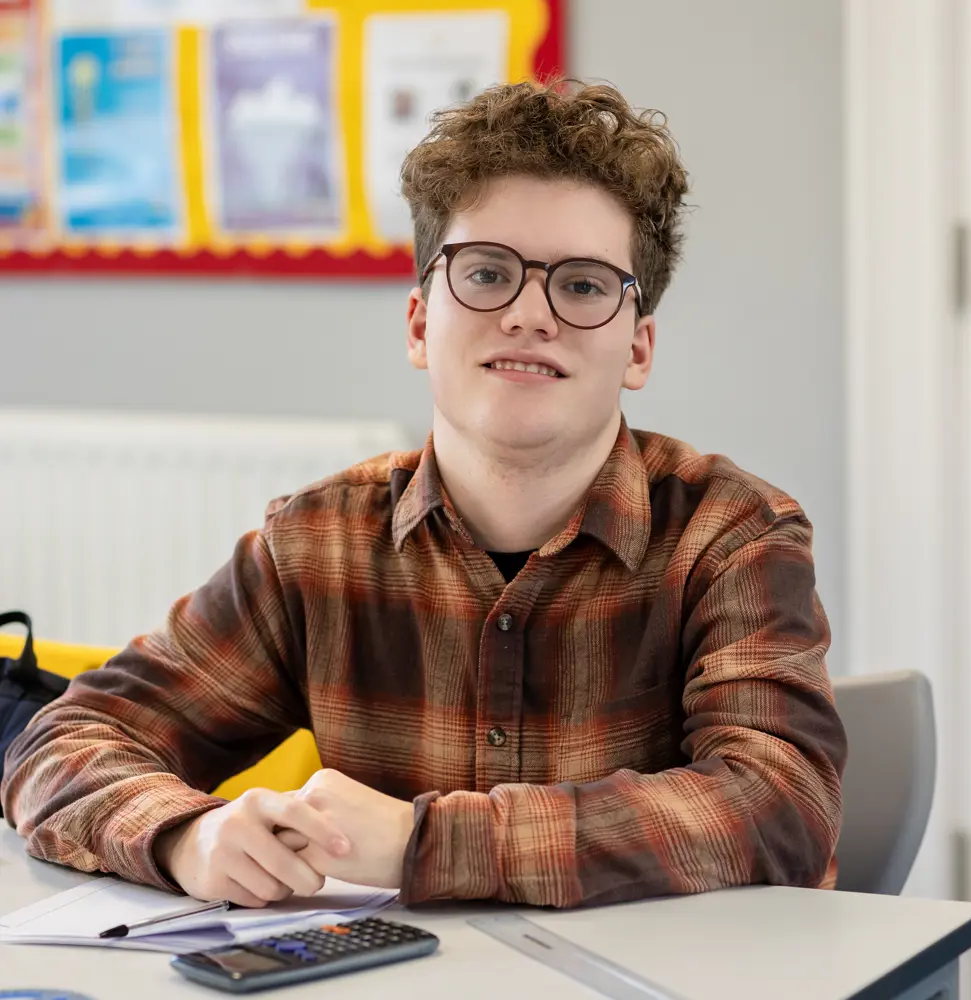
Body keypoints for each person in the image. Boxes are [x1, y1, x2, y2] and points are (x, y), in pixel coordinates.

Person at [1, 80, 847, 910]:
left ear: (638, 349)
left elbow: (780, 805)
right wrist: (186, 836)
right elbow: (66, 742)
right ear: (418, 323)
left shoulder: (733, 535)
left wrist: (424, 842)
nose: (528, 314)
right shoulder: (316, 543)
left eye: (584, 285)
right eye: (485, 273)